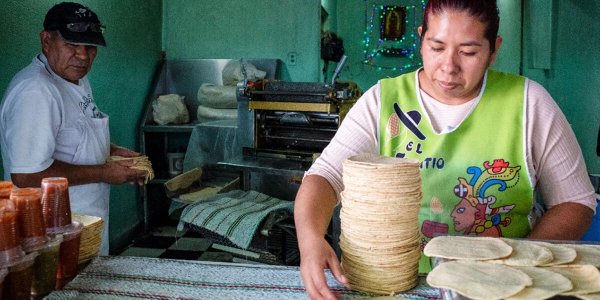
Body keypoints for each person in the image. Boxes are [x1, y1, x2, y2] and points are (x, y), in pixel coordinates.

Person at [294, 0, 597, 299]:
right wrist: (310, 240)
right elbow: (326, 176)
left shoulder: (529, 104)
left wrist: (523, 262)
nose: (449, 67)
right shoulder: (383, 102)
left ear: (494, 50)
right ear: (421, 38)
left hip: (500, 287)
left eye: (468, 52)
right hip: (389, 284)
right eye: (436, 48)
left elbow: (574, 201)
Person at [0, 2, 147, 255]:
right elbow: (26, 176)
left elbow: (72, 133)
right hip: (51, 233)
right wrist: (104, 173)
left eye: (90, 47)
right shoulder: (36, 92)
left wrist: (110, 151)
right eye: (71, 45)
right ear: (46, 40)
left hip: (82, 221)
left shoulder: (73, 77)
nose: (83, 55)